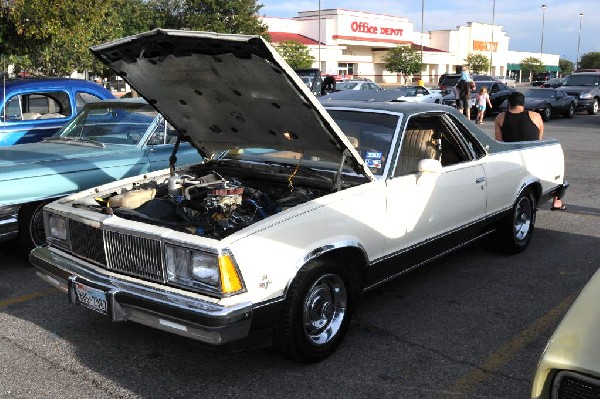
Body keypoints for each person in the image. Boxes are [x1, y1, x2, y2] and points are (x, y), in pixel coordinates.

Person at [494, 91, 566, 210]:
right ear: (523, 104)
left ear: (509, 103)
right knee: (557, 164)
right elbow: (539, 139)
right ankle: (557, 201)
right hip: (533, 157)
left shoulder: (500, 118)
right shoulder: (536, 116)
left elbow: (499, 142)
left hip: (511, 158)